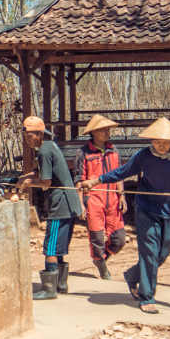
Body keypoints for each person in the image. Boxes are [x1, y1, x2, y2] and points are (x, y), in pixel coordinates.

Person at [81, 117, 170, 315]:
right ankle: (147, 296)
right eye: (156, 141)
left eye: (164, 142)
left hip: (169, 211)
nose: (160, 145)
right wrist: (96, 181)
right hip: (146, 210)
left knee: (163, 252)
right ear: (151, 141)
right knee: (149, 252)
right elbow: (121, 172)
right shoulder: (143, 156)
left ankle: (132, 274)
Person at [17, 115, 83, 300]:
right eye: (25, 135)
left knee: (50, 247)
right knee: (59, 245)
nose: (27, 139)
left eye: (30, 135)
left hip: (60, 204)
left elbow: (46, 180)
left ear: (40, 134)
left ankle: (49, 289)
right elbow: (44, 170)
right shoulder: (50, 146)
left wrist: (28, 183)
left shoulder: (43, 151)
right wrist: (25, 177)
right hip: (70, 203)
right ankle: (61, 283)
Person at [71, 114, 128, 280]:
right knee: (97, 238)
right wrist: (80, 203)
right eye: (103, 129)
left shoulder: (114, 151)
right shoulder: (82, 152)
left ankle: (101, 261)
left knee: (119, 240)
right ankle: (104, 272)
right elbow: (79, 180)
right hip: (93, 200)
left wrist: (122, 195)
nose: (107, 132)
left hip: (113, 200)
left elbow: (119, 175)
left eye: (108, 129)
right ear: (93, 132)